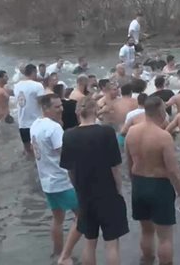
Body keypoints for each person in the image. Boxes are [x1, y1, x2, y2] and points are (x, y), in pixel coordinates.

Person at [59, 97, 129, 265]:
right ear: (96, 111)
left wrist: (78, 188)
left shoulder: (68, 135)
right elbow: (115, 168)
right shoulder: (106, 132)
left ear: (77, 113)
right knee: (112, 243)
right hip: (107, 192)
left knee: (90, 241)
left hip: (85, 193)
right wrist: (119, 190)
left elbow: (69, 170)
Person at [126, 97, 180, 265]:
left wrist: (135, 184)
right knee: (165, 238)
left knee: (146, 231)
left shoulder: (131, 132)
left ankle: (146, 261)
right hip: (159, 186)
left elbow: (129, 163)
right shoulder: (163, 136)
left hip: (139, 184)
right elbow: (173, 170)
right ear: (161, 111)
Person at [30, 94, 80, 259]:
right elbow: (65, 155)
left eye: (61, 106)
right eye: (57, 107)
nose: (61, 109)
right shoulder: (54, 128)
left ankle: (57, 252)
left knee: (58, 219)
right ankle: (66, 254)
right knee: (83, 216)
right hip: (62, 181)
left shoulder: (35, 125)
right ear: (46, 108)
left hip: (46, 180)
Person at [14, 64, 45, 156]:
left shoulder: (17, 85)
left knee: (28, 151)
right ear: (34, 72)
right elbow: (42, 104)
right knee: (39, 151)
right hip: (36, 123)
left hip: (22, 124)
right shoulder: (38, 86)